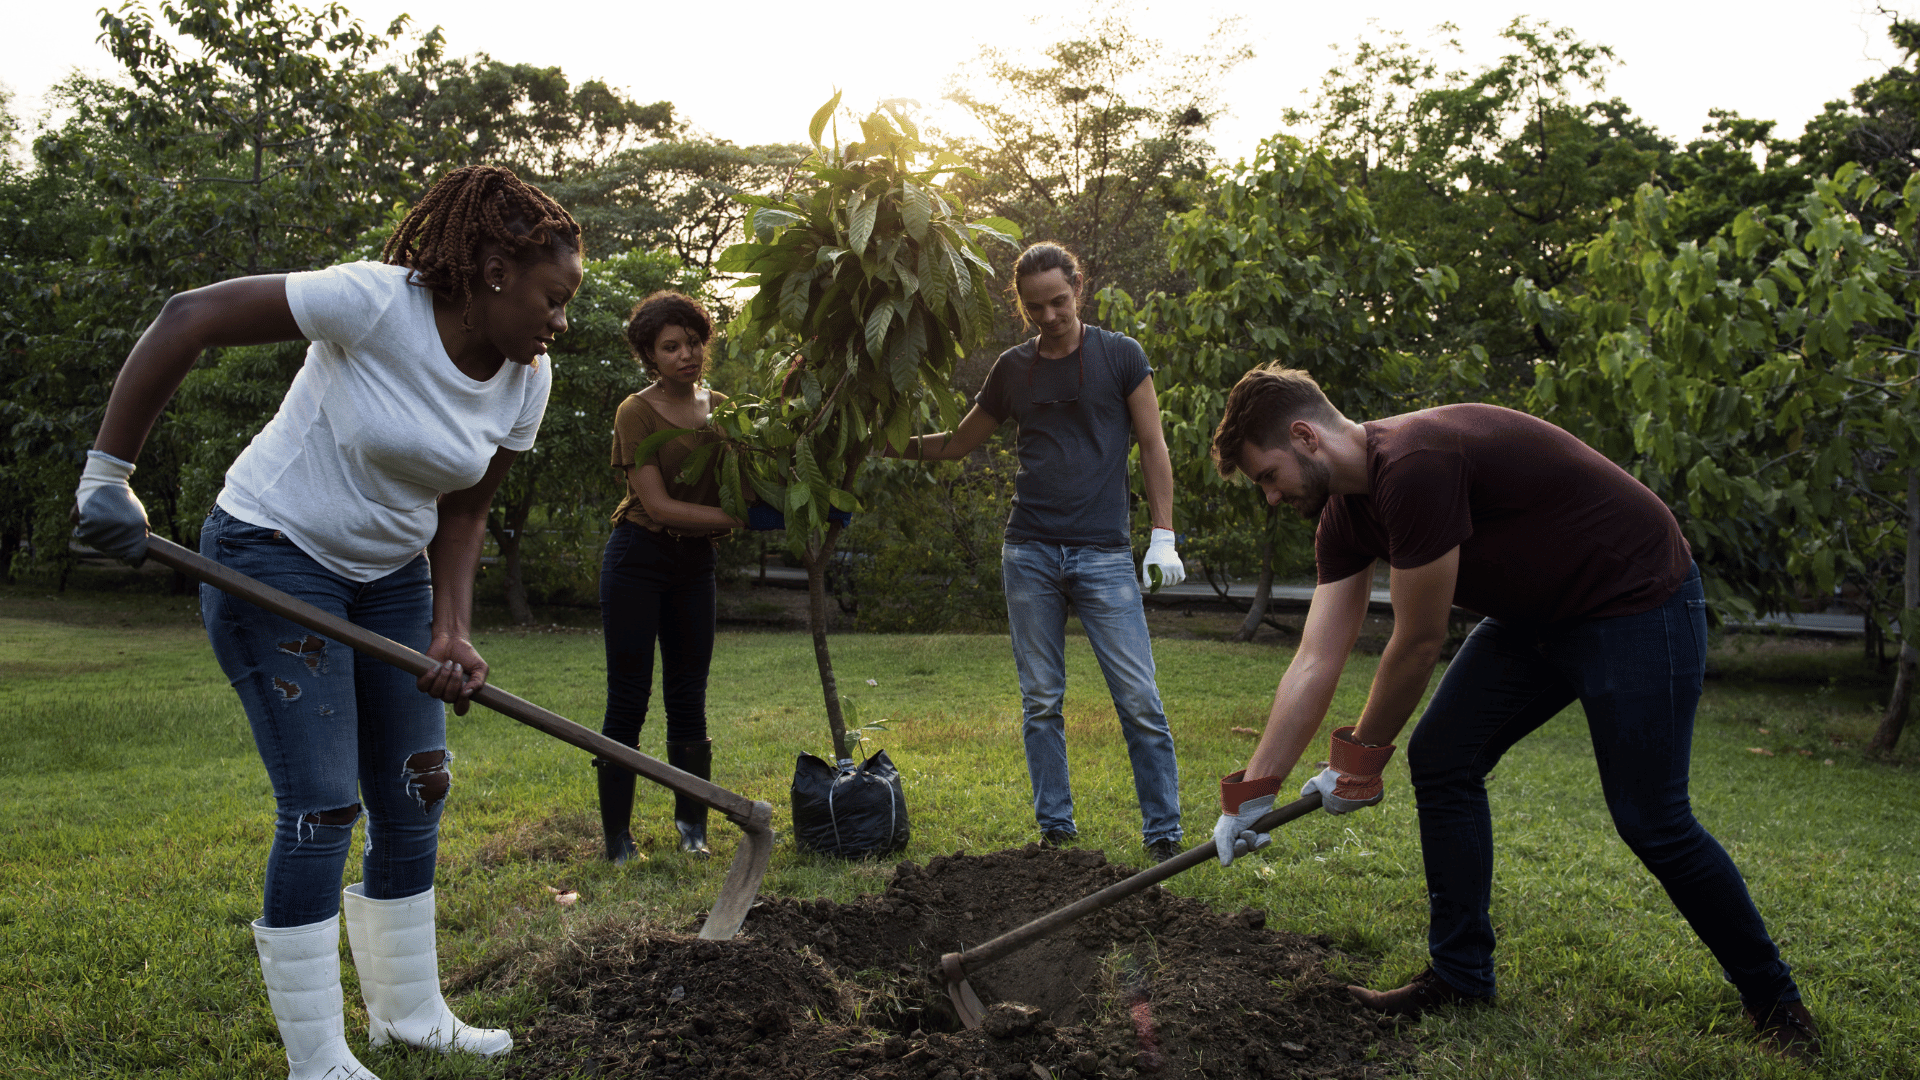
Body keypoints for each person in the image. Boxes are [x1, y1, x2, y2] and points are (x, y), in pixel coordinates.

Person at [72, 165, 583, 1079]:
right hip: (271, 550)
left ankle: (411, 1015)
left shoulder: (526, 380)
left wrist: (450, 628)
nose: (560, 320)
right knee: (322, 805)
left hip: (388, 575)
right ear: (498, 273)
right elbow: (189, 317)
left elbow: (464, 514)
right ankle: (318, 1057)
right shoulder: (375, 303)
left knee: (418, 783)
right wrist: (108, 474)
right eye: (555, 297)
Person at [1205, 364, 1820, 1062]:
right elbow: (1315, 659)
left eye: (1266, 475)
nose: (1270, 496)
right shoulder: (1346, 520)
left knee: (1653, 820)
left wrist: (1357, 765)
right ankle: (1461, 976)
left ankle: (1777, 1002)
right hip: (1539, 618)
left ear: (1304, 435)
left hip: (1636, 599)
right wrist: (1251, 793)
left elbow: (1417, 641)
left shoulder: (1414, 466)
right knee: (1443, 758)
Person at [896, 241, 1188, 862]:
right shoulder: (1013, 368)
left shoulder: (1120, 356)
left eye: (1059, 301)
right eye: (1036, 308)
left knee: (1139, 700)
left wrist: (1163, 532)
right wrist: (876, 443)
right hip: (1028, 551)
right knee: (1041, 702)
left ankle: (1164, 834)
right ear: (1021, 307)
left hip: (1105, 555)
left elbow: (1154, 445)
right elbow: (955, 444)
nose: (1050, 315)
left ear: (1079, 287)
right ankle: (1056, 832)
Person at [597, 291, 740, 863]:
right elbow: (655, 505)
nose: (687, 354)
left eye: (694, 342)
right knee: (629, 699)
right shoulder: (636, 411)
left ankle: (691, 829)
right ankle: (617, 838)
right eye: (670, 346)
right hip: (638, 557)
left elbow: (753, 468)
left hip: (694, 564)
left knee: (689, 697)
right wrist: (736, 520)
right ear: (650, 356)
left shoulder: (724, 409)